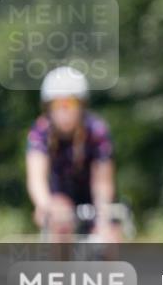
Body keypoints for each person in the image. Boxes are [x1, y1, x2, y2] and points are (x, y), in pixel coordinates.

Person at [26, 66, 120, 242]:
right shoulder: (40, 132)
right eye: (57, 104)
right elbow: (36, 179)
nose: (64, 110)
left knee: (109, 238)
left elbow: (103, 183)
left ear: (81, 106)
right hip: (59, 197)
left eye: (70, 103)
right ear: (48, 108)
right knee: (58, 221)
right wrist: (45, 205)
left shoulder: (96, 131)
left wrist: (103, 218)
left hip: (92, 196)